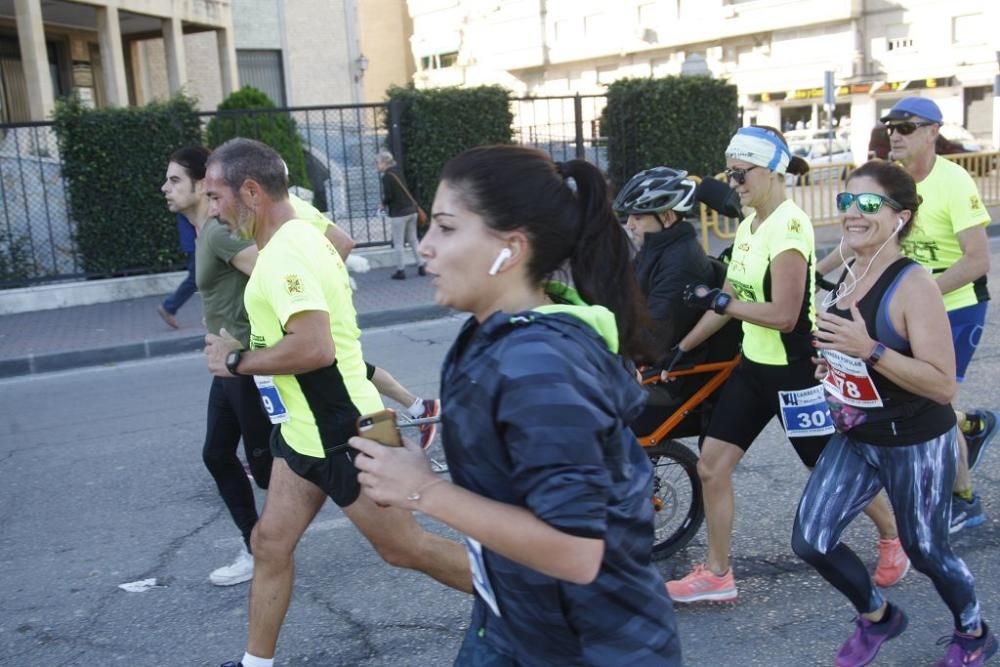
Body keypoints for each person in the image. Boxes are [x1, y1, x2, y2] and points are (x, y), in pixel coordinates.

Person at [351, 145, 682, 665]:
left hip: (591, 647)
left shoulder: (540, 365)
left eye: (446, 227)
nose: (425, 247)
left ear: (510, 248)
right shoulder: (495, 335)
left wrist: (421, 488)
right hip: (515, 618)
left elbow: (575, 551)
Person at [201, 138, 470, 667]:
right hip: (301, 430)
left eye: (215, 196)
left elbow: (314, 347)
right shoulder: (299, 221)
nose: (211, 210)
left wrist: (235, 361)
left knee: (404, 548)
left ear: (251, 192)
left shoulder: (281, 256)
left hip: (348, 426)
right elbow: (338, 245)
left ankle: (538, 601)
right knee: (270, 543)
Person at [664, 126, 903, 604]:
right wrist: (683, 349)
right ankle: (717, 574)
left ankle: (895, 537)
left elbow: (784, 314)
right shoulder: (750, 224)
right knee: (712, 467)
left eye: (740, 172)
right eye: (729, 173)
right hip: (754, 368)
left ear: (771, 170)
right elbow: (728, 297)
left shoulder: (790, 227)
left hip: (795, 372)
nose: (733, 182)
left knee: (825, 469)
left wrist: (722, 304)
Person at [794, 160, 997, 667]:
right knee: (811, 540)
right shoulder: (848, 271)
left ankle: (973, 632)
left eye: (867, 205)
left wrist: (869, 351)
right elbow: (851, 352)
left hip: (914, 438)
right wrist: (834, 363)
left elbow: (941, 382)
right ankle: (879, 617)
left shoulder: (913, 285)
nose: (852, 214)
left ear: (900, 217)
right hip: (858, 432)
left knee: (926, 549)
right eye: (846, 202)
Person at [820, 96, 998, 533]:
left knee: (936, 399)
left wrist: (912, 296)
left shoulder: (954, 182)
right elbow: (859, 234)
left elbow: (977, 260)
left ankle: (965, 500)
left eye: (907, 127)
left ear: (934, 131)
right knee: (899, 388)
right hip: (900, 302)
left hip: (954, 304)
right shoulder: (886, 182)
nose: (895, 135)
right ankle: (972, 426)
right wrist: (815, 269)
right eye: (890, 127)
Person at [162, 146, 274, 587]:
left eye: (174, 181)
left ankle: (359, 474)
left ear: (198, 184)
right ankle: (256, 546)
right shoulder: (200, 232)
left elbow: (271, 277)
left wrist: (244, 339)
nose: (165, 188)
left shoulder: (218, 233)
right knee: (217, 453)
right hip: (227, 364)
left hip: (245, 363)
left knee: (270, 469)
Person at [375, 150, 427, 280]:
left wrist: (383, 204)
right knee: (413, 240)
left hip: (399, 213)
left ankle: (400, 270)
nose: (376, 166)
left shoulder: (387, 176)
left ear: (384, 162)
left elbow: (389, 195)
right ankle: (421, 266)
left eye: (377, 163)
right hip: (411, 210)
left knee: (398, 243)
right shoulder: (398, 172)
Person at [157, 185, 199, 329]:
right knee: (197, 279)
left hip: (197, 241)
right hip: (198, 242)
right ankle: (169, 307)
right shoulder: (189, 189)